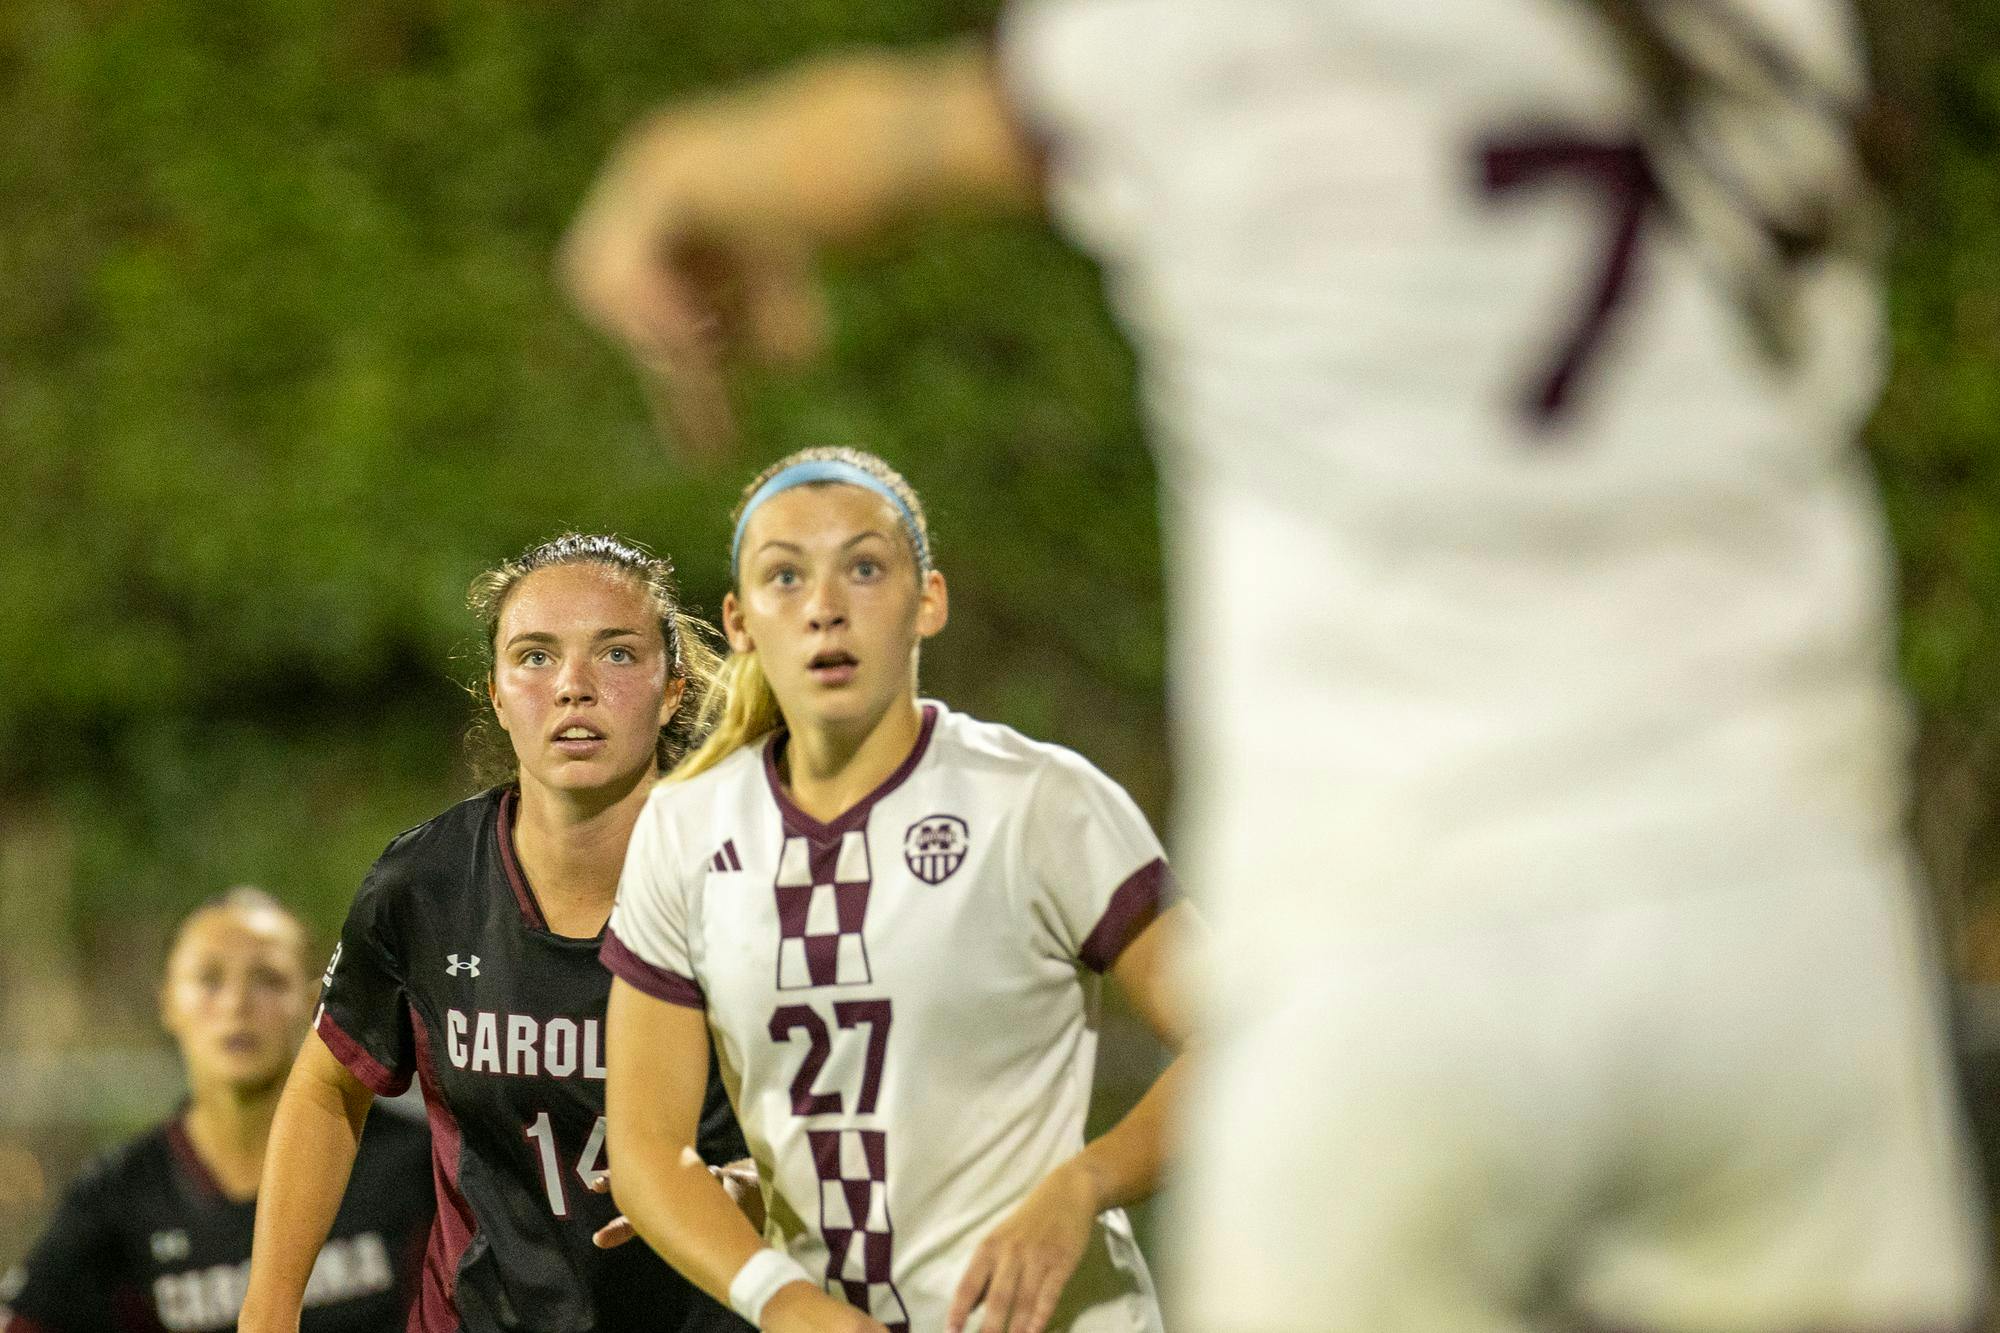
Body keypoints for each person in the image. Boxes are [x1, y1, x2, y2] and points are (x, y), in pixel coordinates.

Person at [561, 5, 1989, 1330]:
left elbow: (903, 134)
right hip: (1780, 924)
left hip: (1389, 944)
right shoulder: (1773, 23)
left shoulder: (1231, 28)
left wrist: (677, 170)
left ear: (924, 599)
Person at [597, 447, 1190, 1333]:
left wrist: (1085, 1182)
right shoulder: (687, 827)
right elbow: (647, 1145)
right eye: (785, 576)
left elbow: (1245, 1039)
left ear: (929, 601)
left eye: (865, 568)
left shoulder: (1037, 800)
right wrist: (783, 1300)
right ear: (740, 621)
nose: (824, 606)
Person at [238, 534, 748, 1333]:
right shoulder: (426, 882)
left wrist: (755, 1186)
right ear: (498, 695)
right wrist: (267, 1312)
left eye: (616, 653)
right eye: (535, 656)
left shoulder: (756, 878)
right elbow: (328, 1085)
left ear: (672, 689)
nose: (573, 686)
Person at [0, 888, 433, 1333]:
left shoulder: (416, 1161)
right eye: (209, 979)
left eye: (268, 979)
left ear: (314, 1002)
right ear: (168, 1003)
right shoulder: (117, 1199)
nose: (236, 1004)